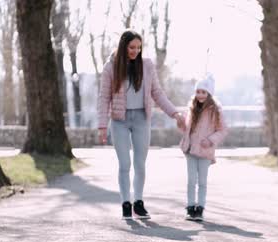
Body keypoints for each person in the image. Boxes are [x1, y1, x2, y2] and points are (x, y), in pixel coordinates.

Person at [97, 30, 185, 219]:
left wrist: (175, 113)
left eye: (138, 47)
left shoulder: (147, 66)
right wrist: (102, 126)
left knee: (140, 164)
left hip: (141, 119)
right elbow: (104, 98)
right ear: (123, 46)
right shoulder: (110, 67)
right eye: (131, 47)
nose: (135, 51)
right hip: (119, 120)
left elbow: (157, 93)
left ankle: (138, 202)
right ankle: (125, 203)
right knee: (124, 164)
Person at [179, 73, 228, 221]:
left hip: (205, 150)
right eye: (198, 92)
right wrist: (181, 124)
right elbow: (187, 129)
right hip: (190, 149)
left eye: (203, 92)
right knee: (191, 180)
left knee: (202, 181)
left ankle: (200, 208)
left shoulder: (215, 111)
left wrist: (211, 140)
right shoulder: (192, 108)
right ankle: (190, 207)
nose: (200, 95)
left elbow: (222, 130)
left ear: (209, 93)